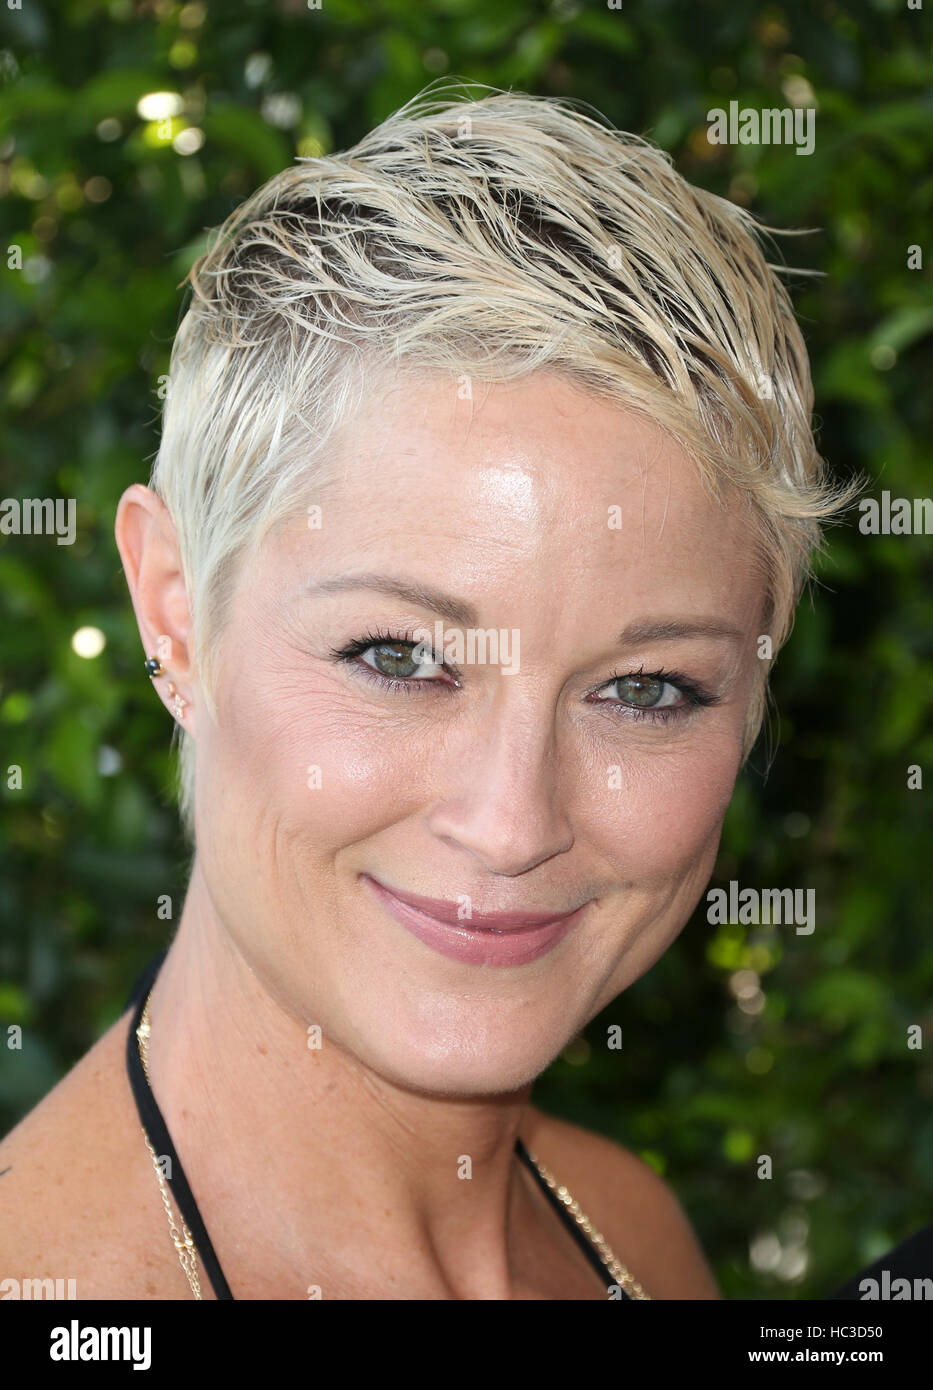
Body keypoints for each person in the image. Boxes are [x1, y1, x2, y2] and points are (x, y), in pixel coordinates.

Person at [0, 83, 855, 1300]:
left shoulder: (629, 1232)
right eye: (399, 657)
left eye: (649, 687)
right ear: (177, 619)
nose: (513, 822)